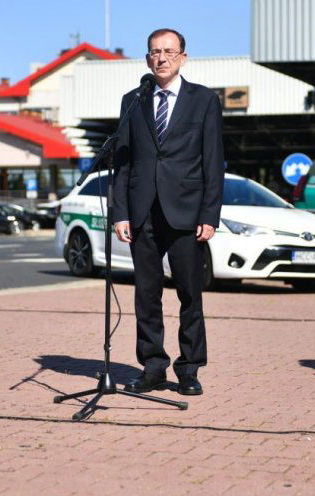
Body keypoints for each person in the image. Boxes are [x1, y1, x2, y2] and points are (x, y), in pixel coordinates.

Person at [112, 28, 225, 396]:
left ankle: (189, 369)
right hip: (142, 211)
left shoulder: (203, 101)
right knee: (146, 295)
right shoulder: (134, 100)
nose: (161, 58)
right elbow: (123, 162)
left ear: (183, 58)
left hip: (187, 213)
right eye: (154, 52)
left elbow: (213, 161)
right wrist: (120, 213)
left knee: (190, 293)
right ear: (147, 59)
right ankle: (153, 366)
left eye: (169, 51)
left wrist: (210, 214)